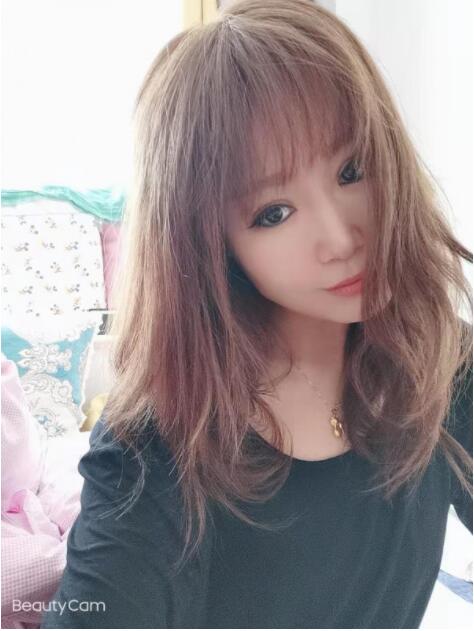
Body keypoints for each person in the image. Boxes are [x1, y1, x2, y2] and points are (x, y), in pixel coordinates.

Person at [40, 0, 473, 628]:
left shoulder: (441, 358)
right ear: (209, 243)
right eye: (274, 213)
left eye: (352, 170)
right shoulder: (158, 445)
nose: (341, 237)